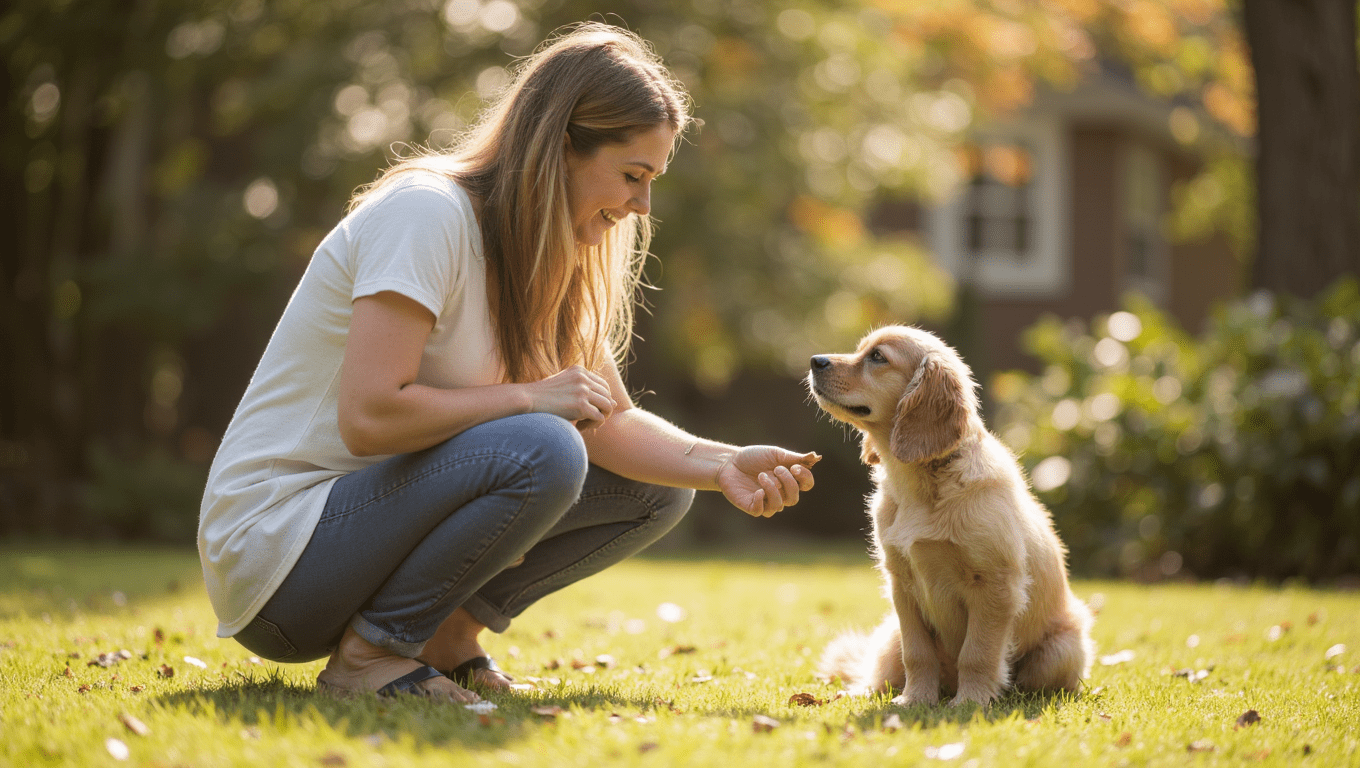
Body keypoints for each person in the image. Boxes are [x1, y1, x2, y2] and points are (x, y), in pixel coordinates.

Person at [197, 23, 820, 703]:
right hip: (279, 557)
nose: (642, 205)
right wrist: (528, 399)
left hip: (360, 541)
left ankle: (448, 639)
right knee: (544, 445)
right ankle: (370, 658)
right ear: (559, 148)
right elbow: (370, 417)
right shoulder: (426, 214)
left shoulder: (551, 259)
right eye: (633, 176)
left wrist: (722, 462)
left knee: (660, 485)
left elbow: (612, 424)